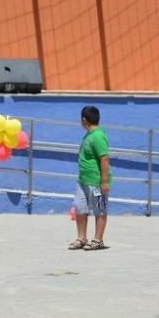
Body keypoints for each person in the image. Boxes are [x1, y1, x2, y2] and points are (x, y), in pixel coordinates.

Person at [69, 106, 111, 251]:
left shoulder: (98, 136)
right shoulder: (88, 135)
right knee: (80, 208)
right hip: (83, 181)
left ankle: (98, 240)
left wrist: (104, 181)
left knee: (100, 210)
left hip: (96, 181)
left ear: (84, 120)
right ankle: (81, 238)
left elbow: (104, 159)